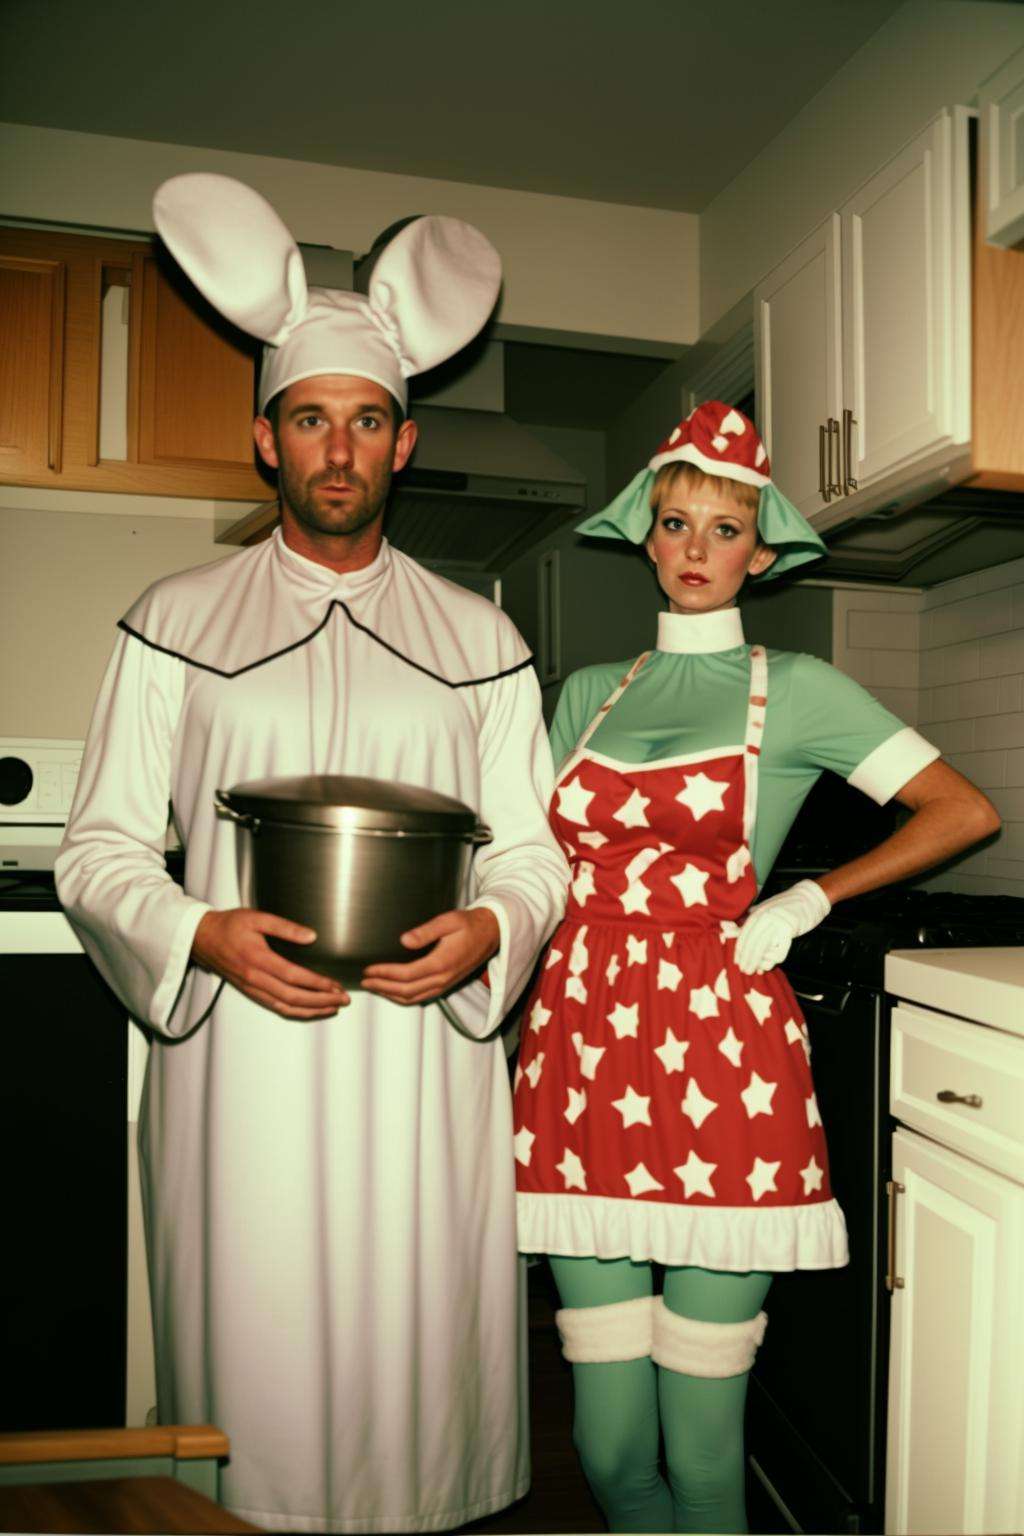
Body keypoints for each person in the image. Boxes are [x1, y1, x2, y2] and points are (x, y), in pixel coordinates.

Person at [56, 174, 568, 1533]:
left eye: (366, 421)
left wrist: (492, 934)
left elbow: (534, 854)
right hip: (242, 1065)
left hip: (423, 1063)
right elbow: (100, 846)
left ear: (405, 444)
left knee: (418, 1371)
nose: (337, 449)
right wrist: (199, 934)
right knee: (255, 1378)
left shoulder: (482, 640)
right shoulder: (173, 619)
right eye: (309, 420)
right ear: (265, 440)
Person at [511, 401, 999, 1535]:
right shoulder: (588, 693)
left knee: (702, 1451)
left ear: (761, 550)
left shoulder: (802, 690)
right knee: (608, 1446)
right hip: (581, 1057)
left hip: (722, 1063)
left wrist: (808, 895)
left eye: (721, 529)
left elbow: (958, 810)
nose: (693, 549)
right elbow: (526, 864)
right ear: (645, 537)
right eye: (674, 523)